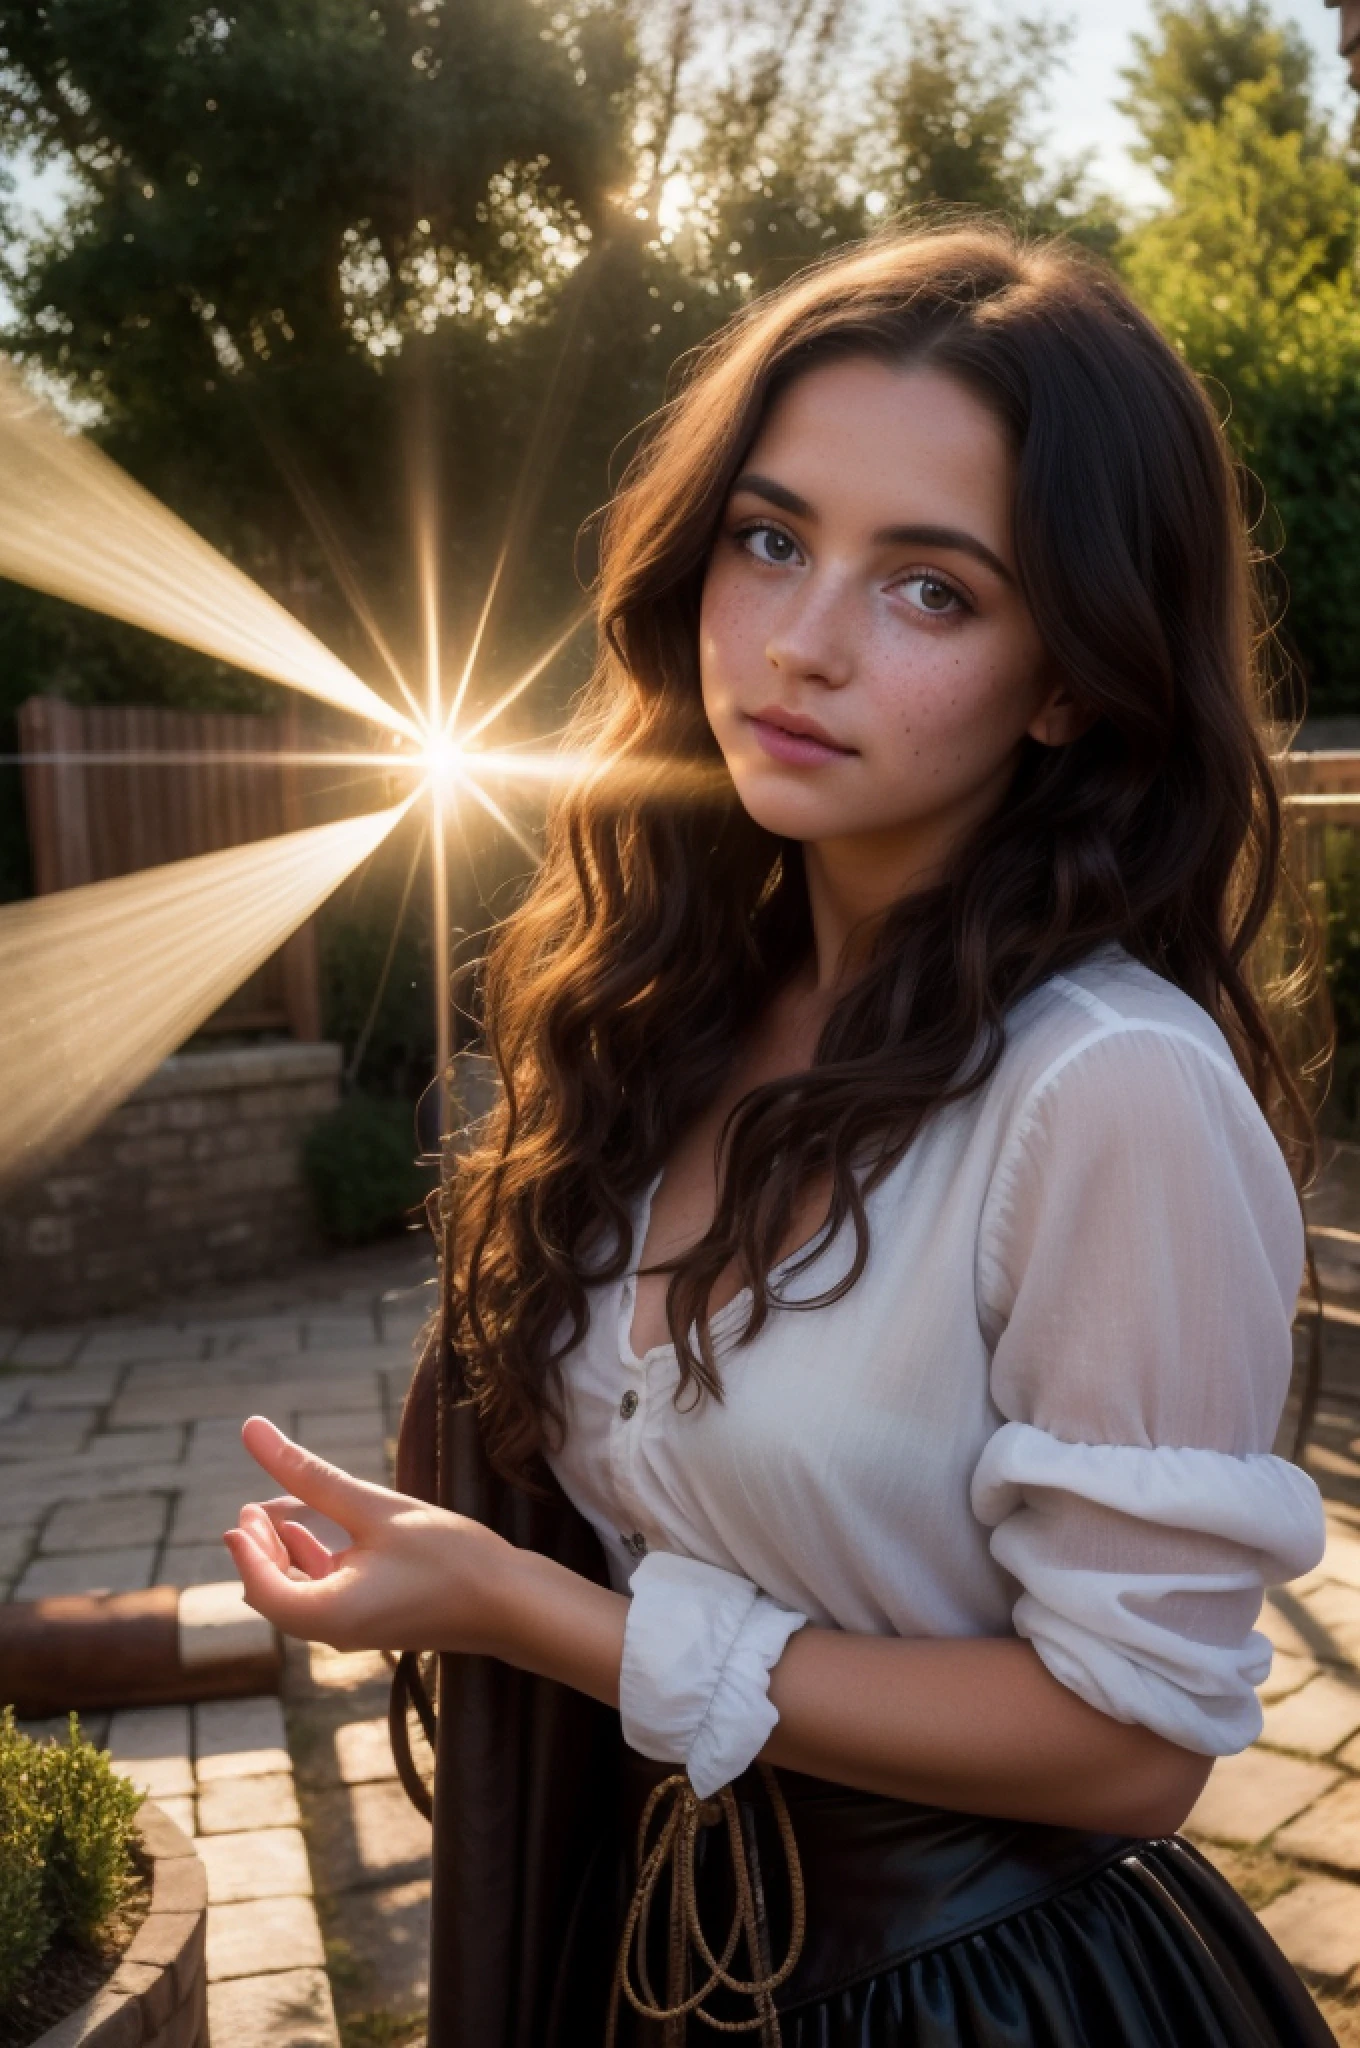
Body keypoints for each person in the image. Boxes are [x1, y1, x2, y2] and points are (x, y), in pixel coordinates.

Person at [225, 224, 1337, 2046]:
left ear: (1069, 682)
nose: (802, 644)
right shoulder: (674, 1013)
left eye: (933, 591)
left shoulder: (1105, 1086)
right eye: (771, 539)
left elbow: (1136, 1747)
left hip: (974, 1999)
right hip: (659, 1962)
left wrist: (536, 1616)